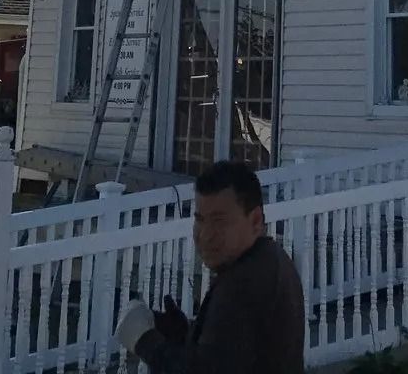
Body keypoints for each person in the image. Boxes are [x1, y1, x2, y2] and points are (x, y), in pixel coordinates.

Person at [115, 160, 304, 374]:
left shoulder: (244, 284)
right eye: (200, 219)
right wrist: (186, 333)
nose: (205, 235)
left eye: (219, 221)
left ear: (256, 221)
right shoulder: (269, 259)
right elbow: (230, 353)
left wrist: (144, 340)